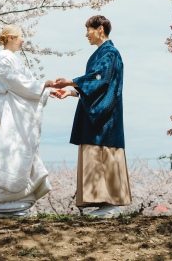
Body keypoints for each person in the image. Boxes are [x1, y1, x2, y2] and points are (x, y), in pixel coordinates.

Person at [48, 15, 131, 218]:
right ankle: (103, 204)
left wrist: (71, 81)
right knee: (96, 154)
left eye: (88, 30)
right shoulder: (101, 54)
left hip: (105, 117)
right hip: (97, 112)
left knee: (104, 152)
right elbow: (96, 86)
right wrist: (72, 92)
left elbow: (101, 80)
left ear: (100, 29)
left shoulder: (110, 53)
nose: (86, 35)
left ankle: (110, 204)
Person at [0, 24, 52, 217]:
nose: (23, 40)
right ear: (12, 38)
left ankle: (18, 199)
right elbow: (19, 84)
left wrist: (45, 90)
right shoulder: (6, 62)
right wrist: (42, 85)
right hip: (12, 115)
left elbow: (25, 85)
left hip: (16, 114)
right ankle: (10, 200)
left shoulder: (11, 61)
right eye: (21, 36)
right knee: (14, 154)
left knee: (19, 153)